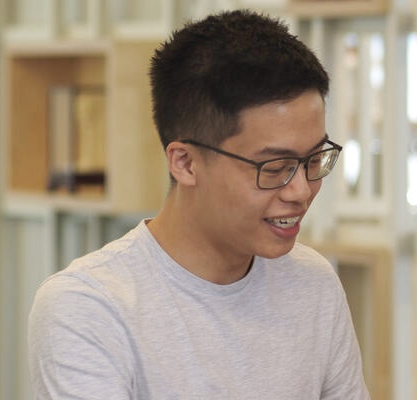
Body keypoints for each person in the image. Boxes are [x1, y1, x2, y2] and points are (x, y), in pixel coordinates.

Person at [28, 10, 370, 399]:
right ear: (185, 163)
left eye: (313, 160)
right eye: (275, 167)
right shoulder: (89, 307)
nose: (301, 191)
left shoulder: (313, 283)